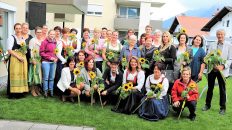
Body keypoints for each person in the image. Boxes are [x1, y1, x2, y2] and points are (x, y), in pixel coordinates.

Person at [202, 29, 232, 115]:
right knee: (210, 88)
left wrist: (223, 66)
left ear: (224, 35)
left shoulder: (229, 46)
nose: (220, 36)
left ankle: (222, 108)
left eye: (221, 34)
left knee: (222, 89)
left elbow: (230, 59)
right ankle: (207, 105)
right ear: (216, 35)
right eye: (218, 34)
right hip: (212, 70)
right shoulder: (212, 45)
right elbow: (208, 56)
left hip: (222, 71)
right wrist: (209, 62)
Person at [7, 23, 29, 99]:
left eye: (20, 28)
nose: (18, 30)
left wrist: (24, 51)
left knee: (21, 74)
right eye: (17, 28)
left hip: (22, 58)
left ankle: (20, 92)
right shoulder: (11, 37)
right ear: (14, 29)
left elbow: (25, 49)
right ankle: (14, 94)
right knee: (15, 74)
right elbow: (9, 50)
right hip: (15, 59)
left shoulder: (22, 38)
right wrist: (18, 57)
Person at [40, 29, 58, 98]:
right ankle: (45, 91)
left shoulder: (55, 42)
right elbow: (41, 52)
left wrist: (56, 58)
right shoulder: (44, 42)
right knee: (46, 78)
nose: (52, 35)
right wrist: (50, 58)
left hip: (53, 62)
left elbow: (56, 52)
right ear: (48, 34)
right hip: (46, 62)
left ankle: (51, 91)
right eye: (51, 34)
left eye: (53, 34)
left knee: (52, 78)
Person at [28, 26, 43, 96]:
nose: (39, 33)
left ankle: (37, 89)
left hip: (40, 60)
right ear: (35, 32)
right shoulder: (33, 40)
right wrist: (33, 59)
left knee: (39, 75)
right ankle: (32, 90)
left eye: (40, 32)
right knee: (34, 75)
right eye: (38, 32)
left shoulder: (42, 40)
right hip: (34, 60)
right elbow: (30, 51)